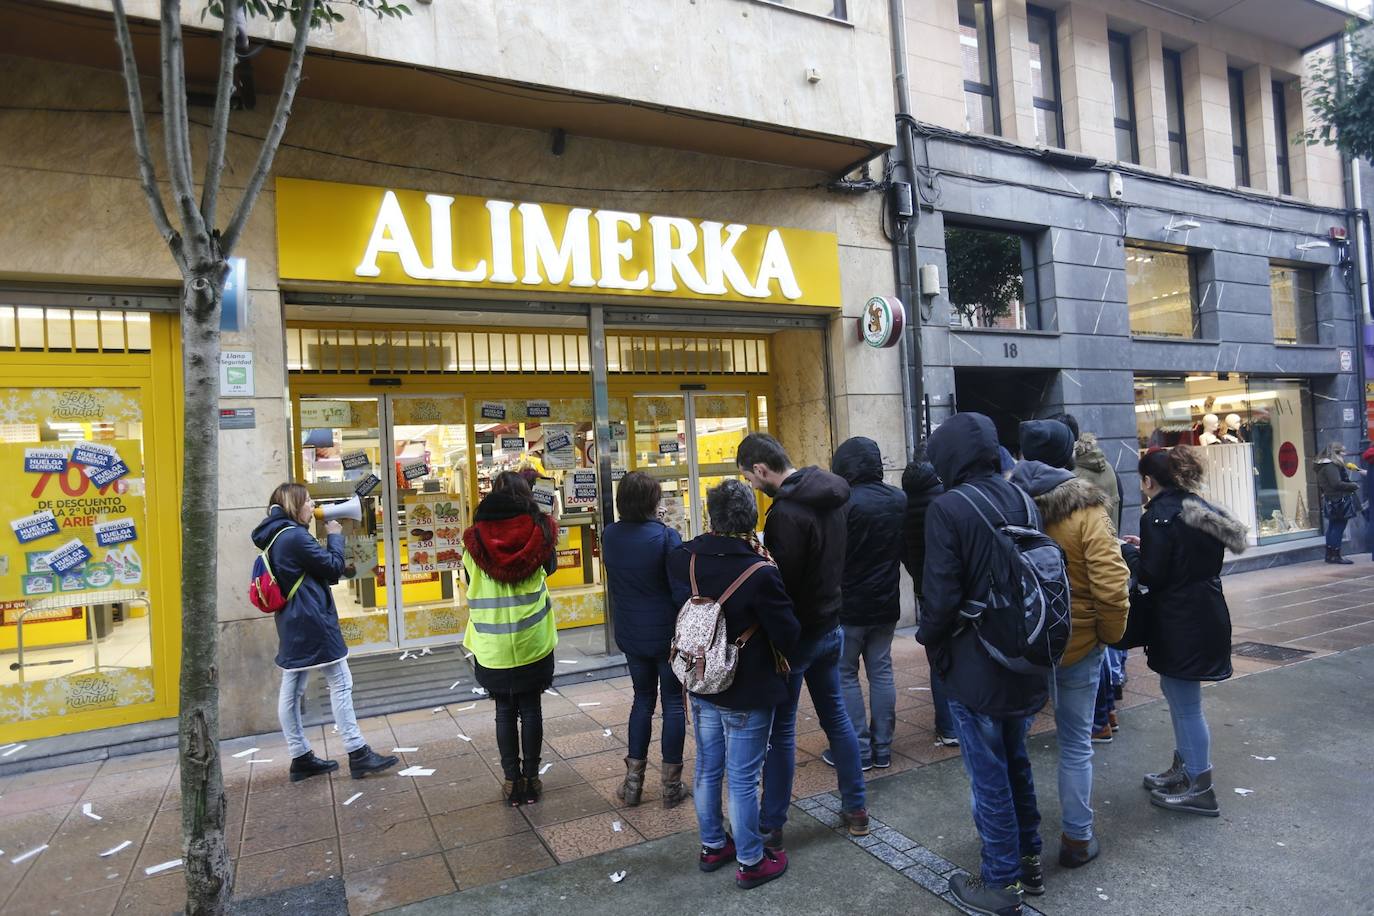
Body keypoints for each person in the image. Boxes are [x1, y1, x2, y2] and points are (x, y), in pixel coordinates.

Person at [917, 412, 1047, 916]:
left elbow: (941, 596)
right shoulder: (1022, 497)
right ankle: (1029, 858)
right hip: (1024, 654)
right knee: (1016, 760)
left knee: (987, 773)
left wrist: (931, 640)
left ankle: (1001, 883)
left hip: (975, 663)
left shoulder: (948, 507)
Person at [736, 432, 869, 849]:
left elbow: (781, 586)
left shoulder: (785, 515)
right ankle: (857, 808)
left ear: (761, 469)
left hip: (798, 638)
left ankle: (772, 823)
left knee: (783, 732)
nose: (752, 487)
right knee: (838, 719)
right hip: (832, 625)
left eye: (750, 478)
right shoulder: (832, 495)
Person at [668, 479, 800, 890]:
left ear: (711, 515)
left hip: (701, 679)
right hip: (748, 687)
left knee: (708, 767)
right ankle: (750, 859)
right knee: (743, 779)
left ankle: (712, 845)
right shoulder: (760, 571)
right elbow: (788, 634)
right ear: (751, 517)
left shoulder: (682, 558)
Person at [1012, 420, 1130, 869]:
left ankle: (1017, 840)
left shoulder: (1008, 502)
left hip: (1021, 641)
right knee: (1076, 744)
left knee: (1012, 742)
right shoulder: (1087, 508)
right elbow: (1111, 582)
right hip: (1079, 642)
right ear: (1068, 456)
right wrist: (1111, 635)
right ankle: (1077, 839)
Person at [252, 483, 398, 782]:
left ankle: (301, 756)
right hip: (313, 620)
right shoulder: (293, 536)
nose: (312, 507)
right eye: (307, 502)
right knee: (341, 682)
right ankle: (357, 752)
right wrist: (334, 537)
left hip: (293, 621)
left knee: (291, 689)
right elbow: (332, 567)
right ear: (294, 505)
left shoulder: (276, 535)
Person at [1136, 447, 1247, 817]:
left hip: (1178, 616)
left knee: (1185, 703)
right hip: (1206, 609)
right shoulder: (1199, 509)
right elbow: (1185, 556)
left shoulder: (1157, 516)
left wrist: (1131, 554)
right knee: (1178, 693)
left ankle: (1200, 785)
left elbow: (1153, 573)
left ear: (1150, 481)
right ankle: (1184, 770)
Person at [461, 471, 559, 806]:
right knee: (531, 708)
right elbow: (551, 568)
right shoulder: (541, 532)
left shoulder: (473, 541)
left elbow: (468, 580)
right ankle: (531, 779)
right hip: (533, 639)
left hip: (491, 645)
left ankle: (511, 781)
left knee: (504, 710)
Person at [602, 471, 688, 809]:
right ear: (653, 502)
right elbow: (680, 589)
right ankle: (670, 786)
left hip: (631, 634)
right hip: (666, 635)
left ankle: (633, 782)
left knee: (641, 700)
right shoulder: (668, 538)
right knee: (672, 704)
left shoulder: (610, 535)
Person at [826, 437, 906, 770]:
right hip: (887, 601)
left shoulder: (843, 504)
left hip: (849, 605)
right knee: (881, 670)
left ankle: (859, 749)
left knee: (845, 674)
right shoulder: (899, 498)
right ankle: (883, 746)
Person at [901, 445, 958, 747]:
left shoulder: (905, 504)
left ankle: (946, 726)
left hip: (926, 589)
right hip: (953, 589)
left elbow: (906, 554)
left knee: (937, 659)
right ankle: (960, 720)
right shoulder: (948, 499)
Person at [1316, 442, 1361, 564]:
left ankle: (1330, 555)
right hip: (1339, 500)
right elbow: (1336, 483)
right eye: (1342, 452)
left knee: (1332, 527)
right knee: (1338, 527)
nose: (1345, 454)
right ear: (1336, 453)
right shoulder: (1331, 466)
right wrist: (1353, 485)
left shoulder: (1323, 465)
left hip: (1332, 499)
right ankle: (1335, 555)